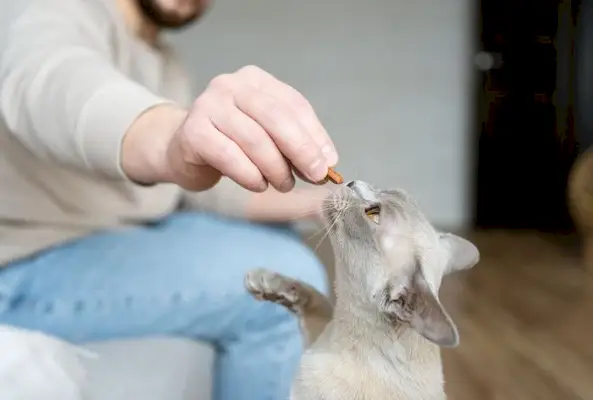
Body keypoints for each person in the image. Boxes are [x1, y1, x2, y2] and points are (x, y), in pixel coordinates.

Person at [0, 0, 339, 399]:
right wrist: (172, 139)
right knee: (281, 283)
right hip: (25, 265)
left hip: (104, 237)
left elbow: (195, 190)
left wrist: (323, 204)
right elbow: (54, 85)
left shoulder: (166, 65)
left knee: (280, 236)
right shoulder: (51, 12)